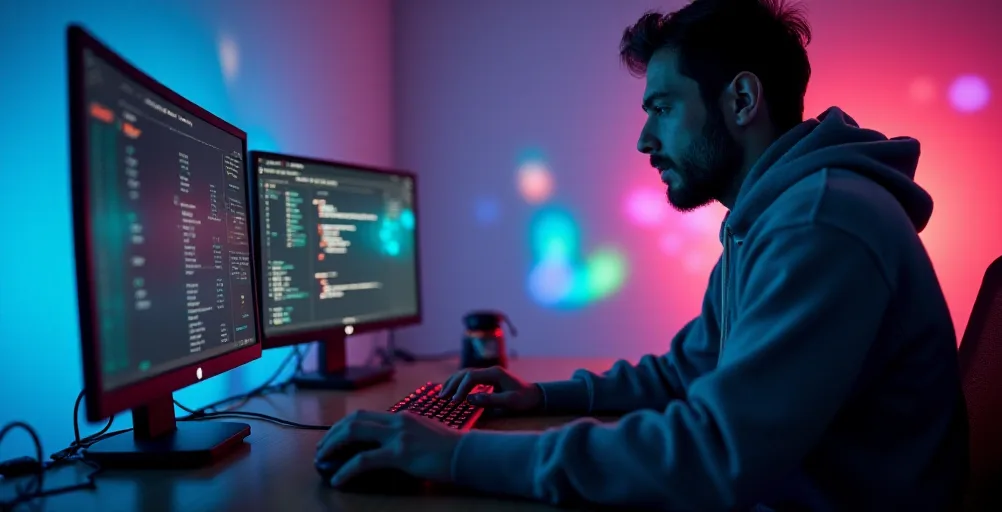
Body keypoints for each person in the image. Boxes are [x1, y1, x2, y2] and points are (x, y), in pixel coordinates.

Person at [315, 0, 968, 509]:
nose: (644, 139)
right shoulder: (776, 217)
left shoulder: (822, 224)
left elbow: (713, 455)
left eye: (662, 107)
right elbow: (686, 374)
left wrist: (456, 456)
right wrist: (540, 398)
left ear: (741, 100)